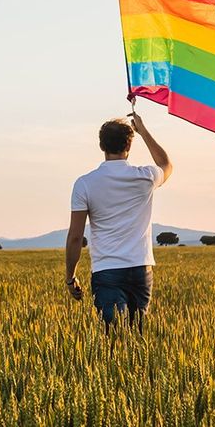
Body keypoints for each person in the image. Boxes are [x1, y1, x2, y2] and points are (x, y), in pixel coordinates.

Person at [65, 110, 173, 332]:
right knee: (137, 338)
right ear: (129, 146)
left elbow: (76, 237)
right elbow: (166, 164)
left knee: (114, 340)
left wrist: (70, 277)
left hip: (107, 270)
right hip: (141, 269)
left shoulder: (85, 184)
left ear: (101, 145)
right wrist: (143, 131)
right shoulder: (146, 176)